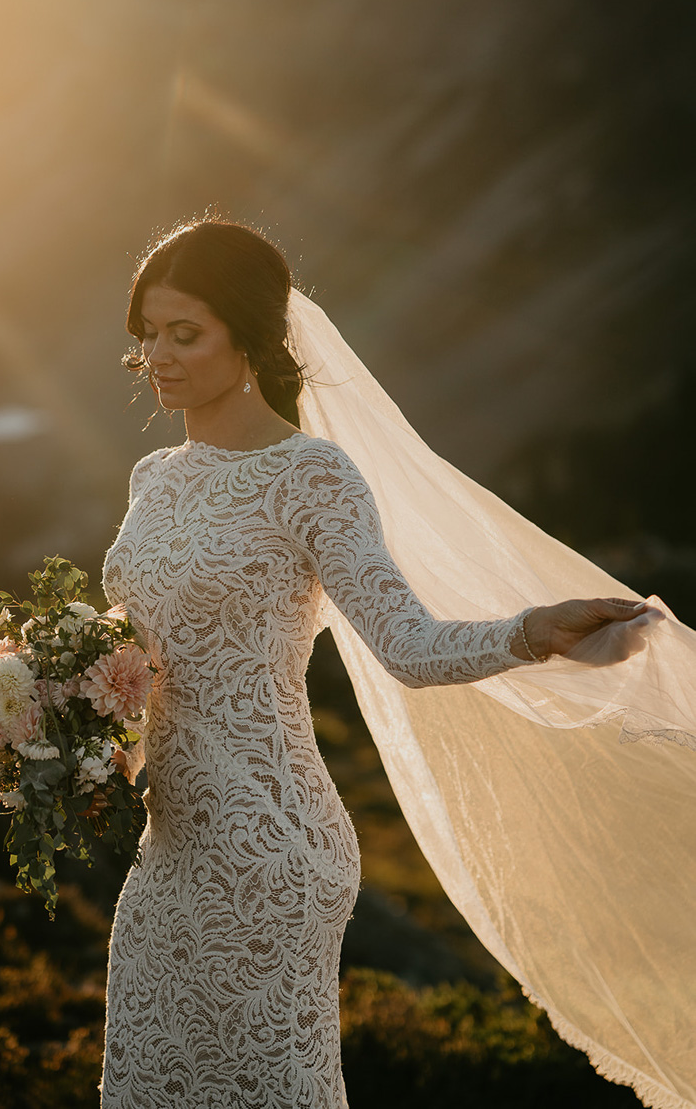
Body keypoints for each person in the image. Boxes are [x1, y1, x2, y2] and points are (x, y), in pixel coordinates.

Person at [97, 217, 668, 1109]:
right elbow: (134, 653)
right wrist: (44, 713)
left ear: (248, 337)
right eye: (147, 334)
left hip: (271, 843)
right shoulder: (152, 478)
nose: (158, 357)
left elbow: (408, 645)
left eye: (184, 333)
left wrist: (532, 628)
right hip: (168, 844)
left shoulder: (314, 476)